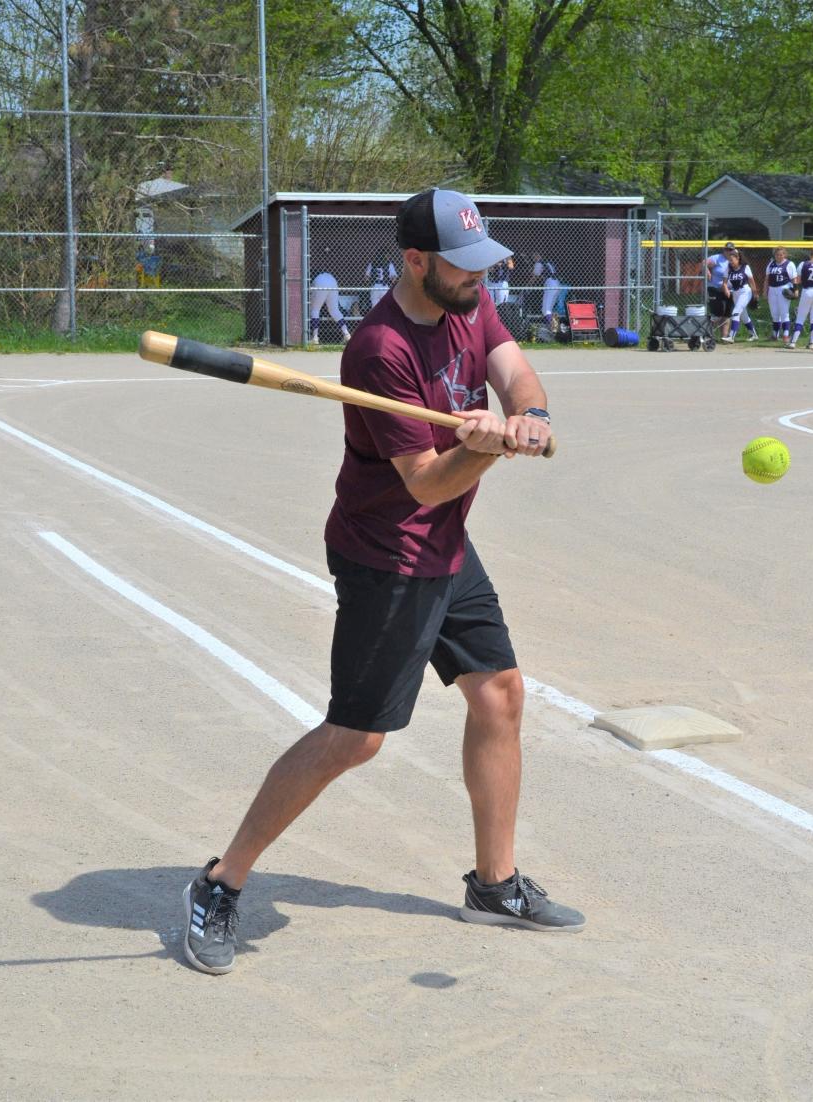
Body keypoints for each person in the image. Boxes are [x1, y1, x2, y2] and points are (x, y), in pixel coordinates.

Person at [182, 187, 585, 976]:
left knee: (499, 692)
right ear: (415, 261)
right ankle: (219, 883)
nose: (479, 279)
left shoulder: (470, 304)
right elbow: (427, 482)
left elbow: (516, 372)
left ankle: (495, 883)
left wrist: (527, 415)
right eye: (463, 267)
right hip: (387, 553)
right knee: (356, 737)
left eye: (481, 264)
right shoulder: (378, 350)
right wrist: (484, 448)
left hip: (446, 546)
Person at [787, 247, 813, 349]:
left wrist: (794, 289)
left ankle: (793, 342)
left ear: (810, 255)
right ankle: (812, 343)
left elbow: (798, 280)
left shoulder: (802, 264)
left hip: (807, 291)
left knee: (800, 317)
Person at [309, 251, 351, 344]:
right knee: (334, 310)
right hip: (332, 279)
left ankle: (315, 337)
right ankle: (346, 334)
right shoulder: (318, 270)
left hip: (319, 280)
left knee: (315, 310)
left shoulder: (310, 272)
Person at [720, 249, 759, 343]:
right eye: (729, 260)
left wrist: (755, 294)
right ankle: (754, 335)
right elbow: (724, 282)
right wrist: (725, 289)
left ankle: (731, 337)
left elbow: (751, 281)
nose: (731, 262)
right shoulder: (729, 267)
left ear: (738, 258)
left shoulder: (745, 267)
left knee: (736, 312)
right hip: (735, 293)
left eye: (732, 260)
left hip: (745, 291)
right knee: (743, 316)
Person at [765, 247, 798, 342]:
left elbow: (794, 278)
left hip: (783, 289)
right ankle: (775, 335)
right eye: (777, 255)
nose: (779, 256)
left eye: (781, 254)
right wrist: (765, 291)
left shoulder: (789, 264)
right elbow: (767, 279)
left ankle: (786, 335)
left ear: (784, 255)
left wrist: (795, 290)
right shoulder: (771, 264)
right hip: (772, 289)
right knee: (774, 313)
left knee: (784, 313)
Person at [704, 241, 736, 337]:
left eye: (731, 250)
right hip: (715, 289)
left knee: (727, 314)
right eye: (727, 249)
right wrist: (707, 272)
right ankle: (707, 334)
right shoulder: (717, 258)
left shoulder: (735, 259)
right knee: (717, 313)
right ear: (724, 250)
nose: (728, 251)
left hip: (729, 290)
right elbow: (704, 263)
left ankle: (724, 337)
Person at [532, 254, 562, 330]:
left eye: (534, 255)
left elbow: (535, 276)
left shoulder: (539, 263)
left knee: (545, 310)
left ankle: (554, 330)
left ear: (538, 255)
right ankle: (553, 329)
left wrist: (527, 286)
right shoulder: (548, 262)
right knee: (549, 309)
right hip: (557, 283)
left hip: (550, 285)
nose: (533, 258)